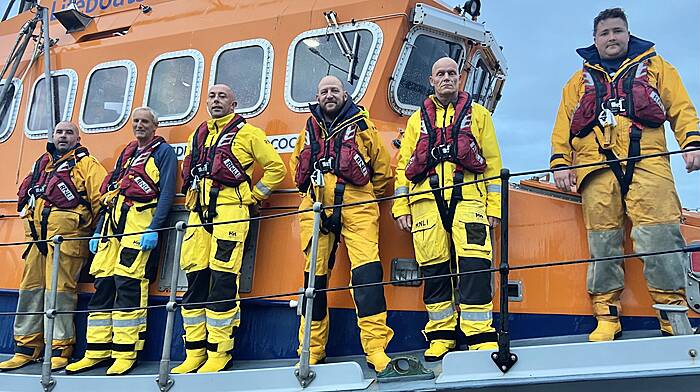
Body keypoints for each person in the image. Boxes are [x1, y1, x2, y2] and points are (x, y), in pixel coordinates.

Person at [550, 8, 700, 341]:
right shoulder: (577, 83)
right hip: (595, 169)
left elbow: (682, 109)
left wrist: (691, 143)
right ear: (595, 39)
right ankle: (606, 316)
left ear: (628, 34)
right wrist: (561, 162)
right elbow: (562, 126)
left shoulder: (658, 68)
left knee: (660, 238)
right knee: (603, 243)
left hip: (649, 164)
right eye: (605, 33)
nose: (612, 38)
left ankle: (672, 315)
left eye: (618, 31)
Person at [393, 57, 502, 361]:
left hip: (470, 202)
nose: (446, 78)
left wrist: (495, 207)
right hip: (426, 205)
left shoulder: (480, 116)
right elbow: (403, 167)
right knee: (435, 271)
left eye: (452, 73)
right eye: (440, 73)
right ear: (431, 80)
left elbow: (493, 164)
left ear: (459, 79)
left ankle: (479, 336)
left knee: (475, 268)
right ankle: (441, 336)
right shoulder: (416, 121)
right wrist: (401, 206)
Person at [172, 84, 286, 373]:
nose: (216, 100)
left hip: (230, 215)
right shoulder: (198, 135)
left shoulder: (248, 134)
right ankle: (194, 353)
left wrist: (253, 196)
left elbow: (276, 168)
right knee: (194, 283)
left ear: (234, 104)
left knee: (223, 284)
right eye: (212, 96)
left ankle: (219, 353)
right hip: (199, 217)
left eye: (222, 96)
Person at [289, 75, 394, 372]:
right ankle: (310, 349)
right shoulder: (309, 128)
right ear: (318, 96)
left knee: (367, 277)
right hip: (316, 206)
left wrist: (361, 194)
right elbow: (296, 164)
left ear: (345, 94)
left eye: (334, 90)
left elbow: (383, 172)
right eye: (324, 91)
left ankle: (375, 349)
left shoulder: (363, 126)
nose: (329, 95)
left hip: (357, 203)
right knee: (314, 281)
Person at [65, 107, 177, 375]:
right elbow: (111, 194)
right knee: (102, 287)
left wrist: (154, 228)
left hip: (138, 230)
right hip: (110, 230)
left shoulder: (164, 153)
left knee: (128, 288)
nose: (139, 125)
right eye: (136, 121)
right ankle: (96, 351)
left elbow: (166, 194)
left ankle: (126, 353)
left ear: (155, 125)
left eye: (145, 121)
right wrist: (98, 229)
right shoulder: (127, 154)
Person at [0, 122, 106, 371]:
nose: (63, 136)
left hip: (67, 242)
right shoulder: (41, 165)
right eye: (59, 132)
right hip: (37, 241)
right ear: (53, 136)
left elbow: (101, 201)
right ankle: (26, 347)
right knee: (30, 291)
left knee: (60, 292)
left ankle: (60, 347)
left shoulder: (87, 165)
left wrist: (98, 232)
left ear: (78, 138)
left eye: (69, 133)